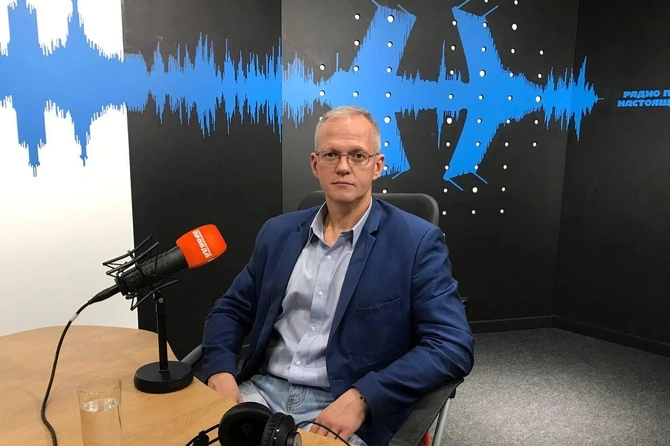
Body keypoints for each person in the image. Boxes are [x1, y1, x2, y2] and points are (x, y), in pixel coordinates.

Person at [201, 105, 474, 446]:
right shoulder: (277, 233)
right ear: (316, 164)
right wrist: (220, 371)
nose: (343, 166)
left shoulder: (416, 242)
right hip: (260, 392)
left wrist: (364, 397)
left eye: (358, 155)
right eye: (331, 154)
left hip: (345, 405)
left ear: (377, 166)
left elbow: (451, 345)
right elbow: (230, 310)